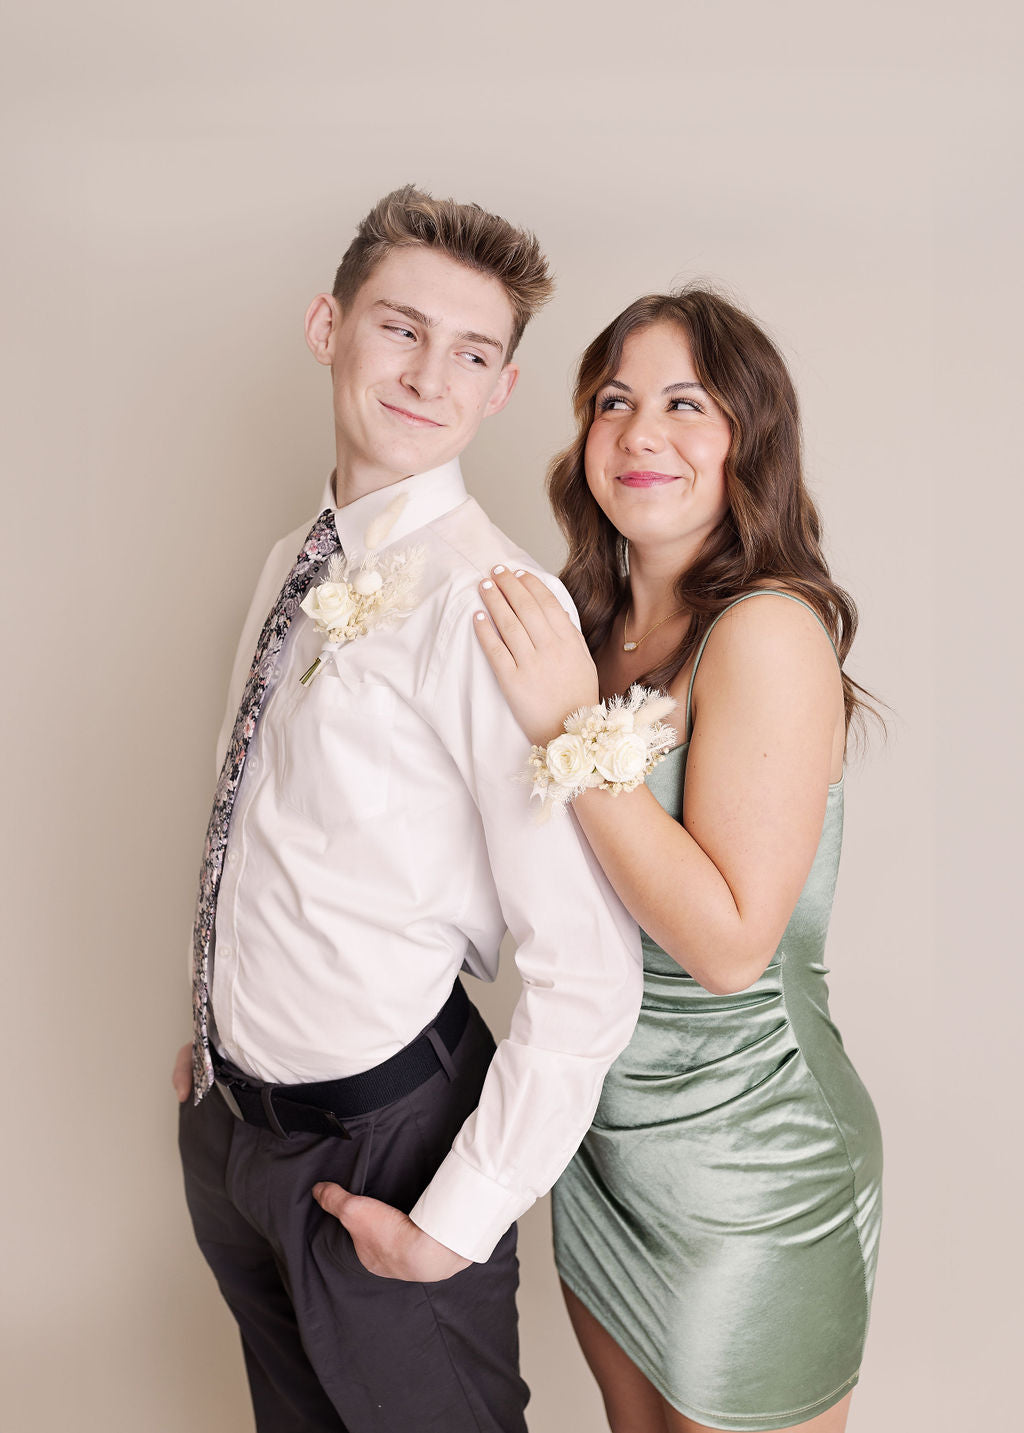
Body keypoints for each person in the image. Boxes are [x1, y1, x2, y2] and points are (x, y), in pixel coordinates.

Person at [172, 186, 642, 1433]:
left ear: (501, 387)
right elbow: (263, 815)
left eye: (472, 352)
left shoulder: (495, 603)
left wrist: (457, 1220)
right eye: (400, 328)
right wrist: (212, 1027)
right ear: (328, 325)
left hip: (389, 1147)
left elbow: (587, 972)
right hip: (234, 1134)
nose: (430, 374)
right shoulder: (294, 559)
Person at [473, 288, 883, 1433]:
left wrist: (568, 729)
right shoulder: (581, 629)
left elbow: (728, 941)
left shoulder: (766, 629)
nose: (639, 432)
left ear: (749, 439)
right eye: (612, 401)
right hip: (599, 1136)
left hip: (749, 1147)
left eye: (683, 403)